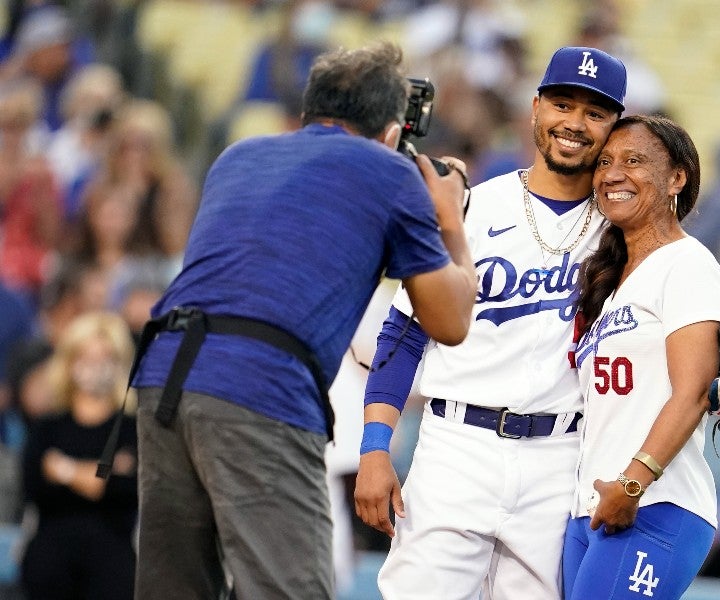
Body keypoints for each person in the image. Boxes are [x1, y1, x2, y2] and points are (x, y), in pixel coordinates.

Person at [127, 41, 476, 600]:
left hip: (163, 374)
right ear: (392, 133)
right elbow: (452, 320)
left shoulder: (239, 155)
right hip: (258, 385)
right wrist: (449, 222)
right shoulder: (390, 173)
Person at [355, 45, 627, 599]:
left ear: (614, 128)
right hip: (458, 447)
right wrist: (375, 447)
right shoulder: (473, 208)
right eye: (563, 104)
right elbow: (403, 334)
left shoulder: (624, 234)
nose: (574, 123)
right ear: (535, 109)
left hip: (561, 457)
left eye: (594, 113)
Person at [564, 115, 720, 599]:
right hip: (593, 507)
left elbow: (694, 391)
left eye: (634, 161)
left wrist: (634, 483)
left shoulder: (687, 264)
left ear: (677, 177)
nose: (612, 174)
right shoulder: (614, 282)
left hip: (653, 502)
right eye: (605, 163)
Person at [20, 311, 138, 600]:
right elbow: (34, 487)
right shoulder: (48, 426)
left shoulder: (132, 430)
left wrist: (63, 468)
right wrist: (103, 472)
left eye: (105, 357)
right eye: (85, 357)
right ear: (69, 362)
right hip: (50, 561)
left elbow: (129, 489)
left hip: (113, 562)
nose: (95, 367)